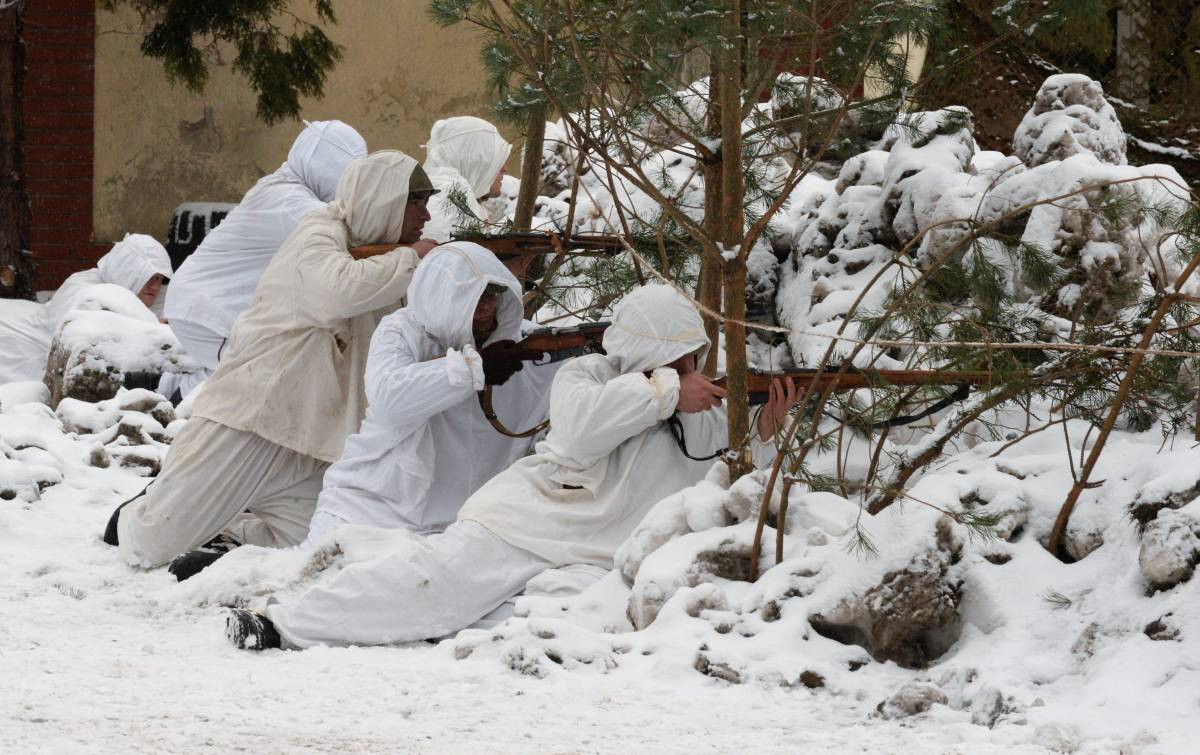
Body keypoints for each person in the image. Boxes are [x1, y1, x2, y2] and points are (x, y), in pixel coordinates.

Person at [225, 284, 798, 650]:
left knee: (541, 627)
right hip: (525, 522)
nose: (687, 366)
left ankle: (405, 629)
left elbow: (717, 487)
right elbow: (582, 430)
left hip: (594, 558)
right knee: (429, 586)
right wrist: (665, 389)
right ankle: (283, 622)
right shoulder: (591, 376)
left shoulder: (697, 408)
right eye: (673, 357)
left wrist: (766, 435)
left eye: (689, 357)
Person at [106, 150, 438, 568]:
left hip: (313, 435)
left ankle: (230, 525)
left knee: (319, 544)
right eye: (415, 201)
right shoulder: (319, 232)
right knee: (150, 543)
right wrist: (413, 258)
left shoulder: (386, 253)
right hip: (255, 416)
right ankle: (147, 508)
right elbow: (336, 292)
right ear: (383, 199)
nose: (425, 215)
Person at [163, 121, 368, 397]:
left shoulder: (287, 189)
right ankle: (175, 399)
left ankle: (169, 391)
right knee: (259, 382)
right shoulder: (288, 201)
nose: (350, 187)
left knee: (253, 376)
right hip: (208, 311)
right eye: (348, 175)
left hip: (210, 306)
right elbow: (352, 234)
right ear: (326, 167)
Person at [0, 234, 172, 385]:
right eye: (148, 277)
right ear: (127, 272)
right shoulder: (87, 288)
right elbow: (91, 335)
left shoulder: (154, 298)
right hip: (22, 348)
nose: (155, 286)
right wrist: (152, 327)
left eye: (159, 279)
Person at [419, 116, 511, 245]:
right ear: (474, 161)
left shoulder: (438, 189)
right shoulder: (452, 199)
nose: (505, 168)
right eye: (495, 160)